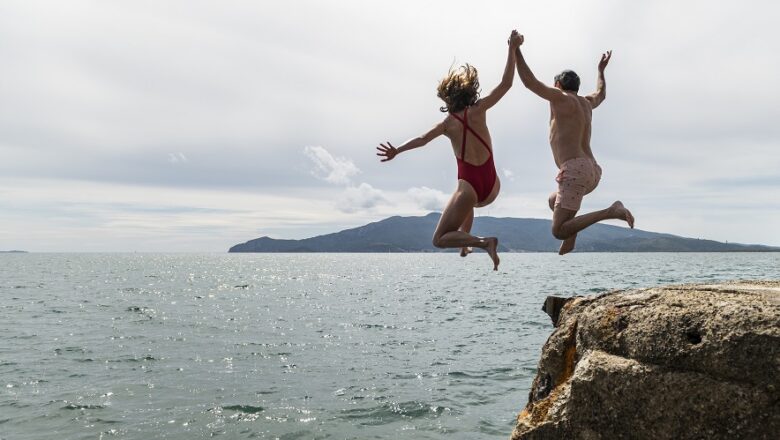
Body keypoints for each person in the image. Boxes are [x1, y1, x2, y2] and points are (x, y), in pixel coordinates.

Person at [376, 31, 524, 270]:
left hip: (470, 188)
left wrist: (397, 151)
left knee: (439, 238)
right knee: (467, 203)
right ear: (469, 93)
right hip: (492, 185)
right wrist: (512, 49)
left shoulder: (447, 124)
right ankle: (464, 245)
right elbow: (506, 84)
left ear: (446, 98)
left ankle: (483, 242)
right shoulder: (479, 109)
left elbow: (422, 139)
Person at [512, 36, 634, 255]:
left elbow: (530, 82)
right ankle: (572, 235)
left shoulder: (560, 97)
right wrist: (601, 71)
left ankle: (611, 211)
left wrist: (515, 50)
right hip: (592, 171)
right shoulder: (586, 103)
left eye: (554, 86)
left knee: (558, 230)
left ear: (558, 85)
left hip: (575, 169)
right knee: (553, 200)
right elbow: (601, 94)